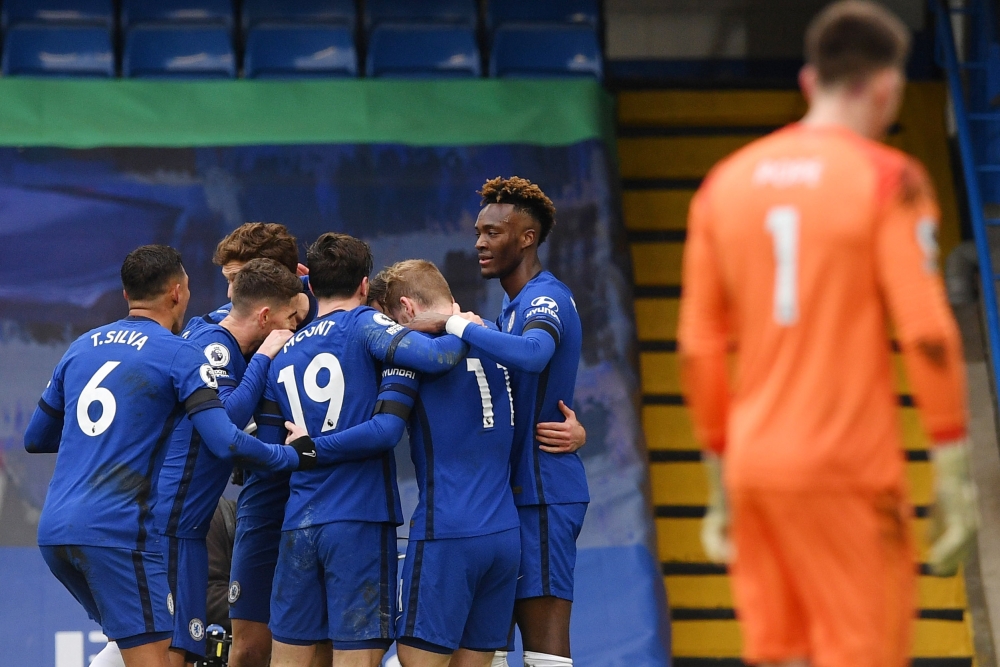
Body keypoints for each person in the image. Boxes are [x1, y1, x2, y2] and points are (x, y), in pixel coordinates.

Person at [677, 3, 977, 666]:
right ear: (887, 88)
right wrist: (952, 461)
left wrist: (719, 469)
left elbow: (698, 343)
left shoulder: (725, 185)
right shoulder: (890, 178)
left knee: (779, 655)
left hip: (757, 467)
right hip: (848, 472)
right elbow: (927, 331)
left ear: (810, 82)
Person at [21, 245, 318, 667]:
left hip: (56, 533)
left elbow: (36, 437)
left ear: (126, 295)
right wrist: (292, 457)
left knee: (137, 645)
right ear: (178, 292)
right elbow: (226, 441)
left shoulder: (81, 347)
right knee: (162, 656)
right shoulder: (182, 353)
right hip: (121, 533)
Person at [259, 233, 469, 667]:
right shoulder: (367, 327)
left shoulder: (281, 355)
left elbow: (266, 447)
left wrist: (304, 450)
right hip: (358, 519)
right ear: (364, 284)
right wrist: (463, 328)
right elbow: (433, 359)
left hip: (298, 522)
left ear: (312, 288)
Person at [408, 177, 588, 667]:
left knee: (545, 653)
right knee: (483, 650)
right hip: (512, 502)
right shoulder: (509, 308)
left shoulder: (543, 298)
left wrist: (456, 323)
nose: (479, 243)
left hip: (545, 493)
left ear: (527, 238)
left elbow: (535, 356)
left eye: (493, 232)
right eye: (477, 232)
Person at [156, 259, 305, 667]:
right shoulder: (216, 347)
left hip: (185, 526)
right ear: (264, 317)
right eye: (289, 319)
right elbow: (226, 423)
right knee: (165, 649)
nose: (293, 328)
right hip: (169, 524)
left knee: (181, 649)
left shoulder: (223, 337)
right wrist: (265, 358)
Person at [371, 260, 521, 667]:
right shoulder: (495, 335)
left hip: (448, 533)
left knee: (416, 660)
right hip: (505, 536)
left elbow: (383, 430)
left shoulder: (417, 356)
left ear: (406, 309)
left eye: (389, 322)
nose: (391, 335)